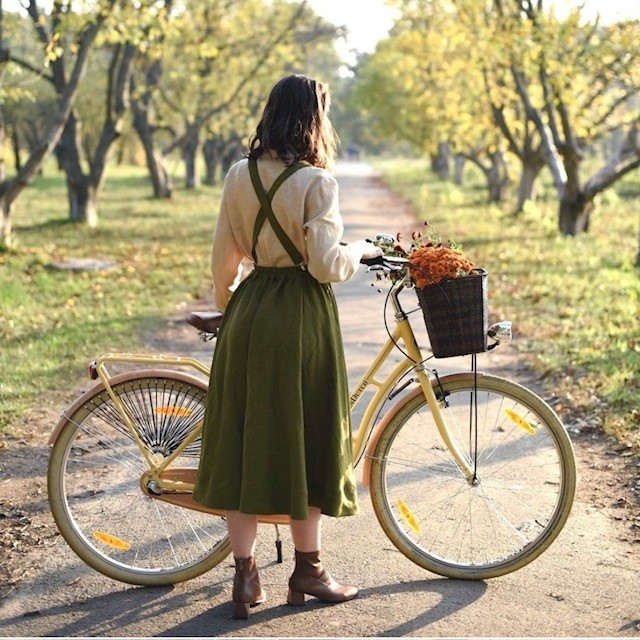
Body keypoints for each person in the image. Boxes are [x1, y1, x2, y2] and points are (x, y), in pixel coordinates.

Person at [192, 74, 382, 620]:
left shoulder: (236, 176)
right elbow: (325, 264)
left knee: (244, 440)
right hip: (302, 316)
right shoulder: (317, 183)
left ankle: (246, 578)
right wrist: (363, 250)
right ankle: (309, 567)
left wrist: (231, 311)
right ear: (313, 119)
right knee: (311, 434)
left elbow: (223, 263)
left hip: (250, 313)